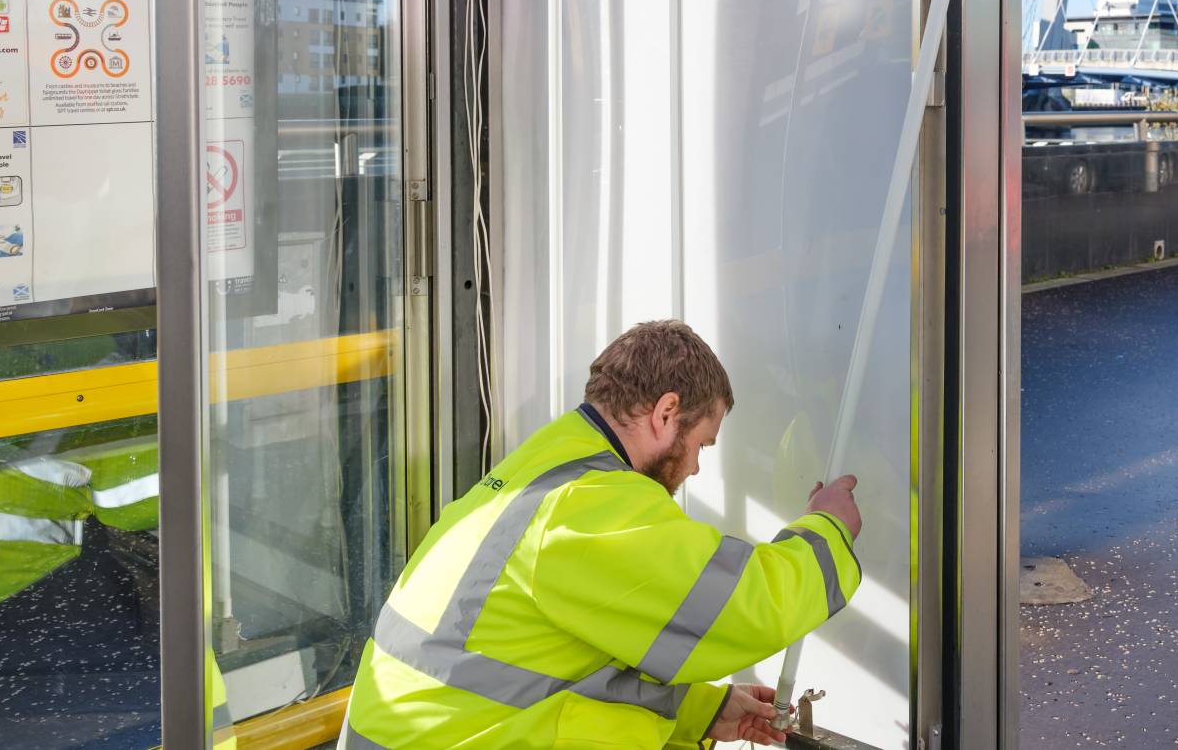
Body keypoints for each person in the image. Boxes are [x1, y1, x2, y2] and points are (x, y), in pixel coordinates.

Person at [342, 320, 863, 748]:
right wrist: (828, 527)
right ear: (666, 413)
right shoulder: (589, 507)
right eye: (702, 444)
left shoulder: (546, 462)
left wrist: (702, 711)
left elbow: (545, 673)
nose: (698, 469)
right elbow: (751, 605)